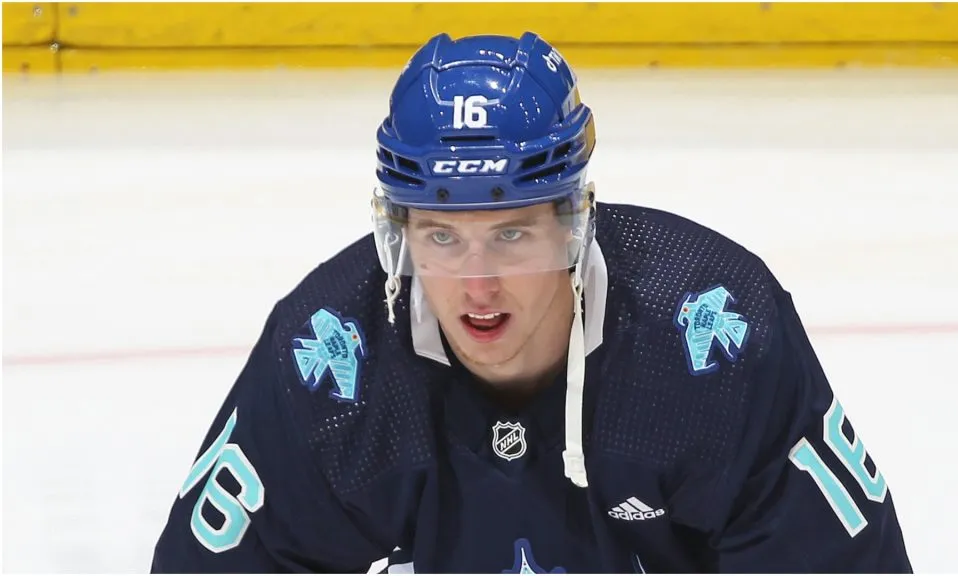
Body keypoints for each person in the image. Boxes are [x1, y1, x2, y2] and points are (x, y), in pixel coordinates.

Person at [151, 31, 912, 573]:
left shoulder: (712, 334)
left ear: (574, 224)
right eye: (441, 238)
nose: (476, 286)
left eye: (511, 234)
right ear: (400, 232)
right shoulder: (328, 359)